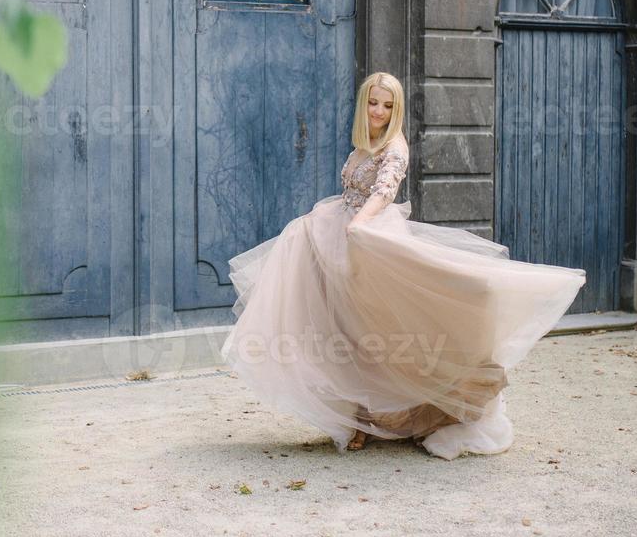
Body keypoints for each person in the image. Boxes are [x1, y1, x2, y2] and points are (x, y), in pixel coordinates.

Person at [220, 71, 586, 459]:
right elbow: (351, 192)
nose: (379, 111)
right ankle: (360, 414)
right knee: (346, 329)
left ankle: (424, 406)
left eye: (388, 105)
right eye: (374, 102)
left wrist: (359, 224)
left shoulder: (394, 146)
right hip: (341, 235)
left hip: (369, 239)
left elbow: (383, 192)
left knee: (383, 329)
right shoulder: (363, 144)